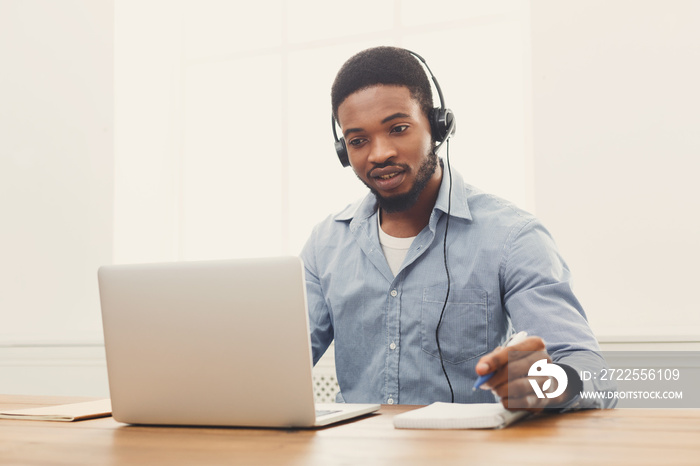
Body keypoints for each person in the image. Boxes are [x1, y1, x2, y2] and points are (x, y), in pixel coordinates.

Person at [300, 46, 614, 411]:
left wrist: (550, 385)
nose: (379, 153)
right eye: (358, 140)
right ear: (344, 151)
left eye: (398, 129)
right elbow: (277, 362)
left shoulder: (512, 236)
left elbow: (593, 375)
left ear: (436, 126)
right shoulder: (325, 244)